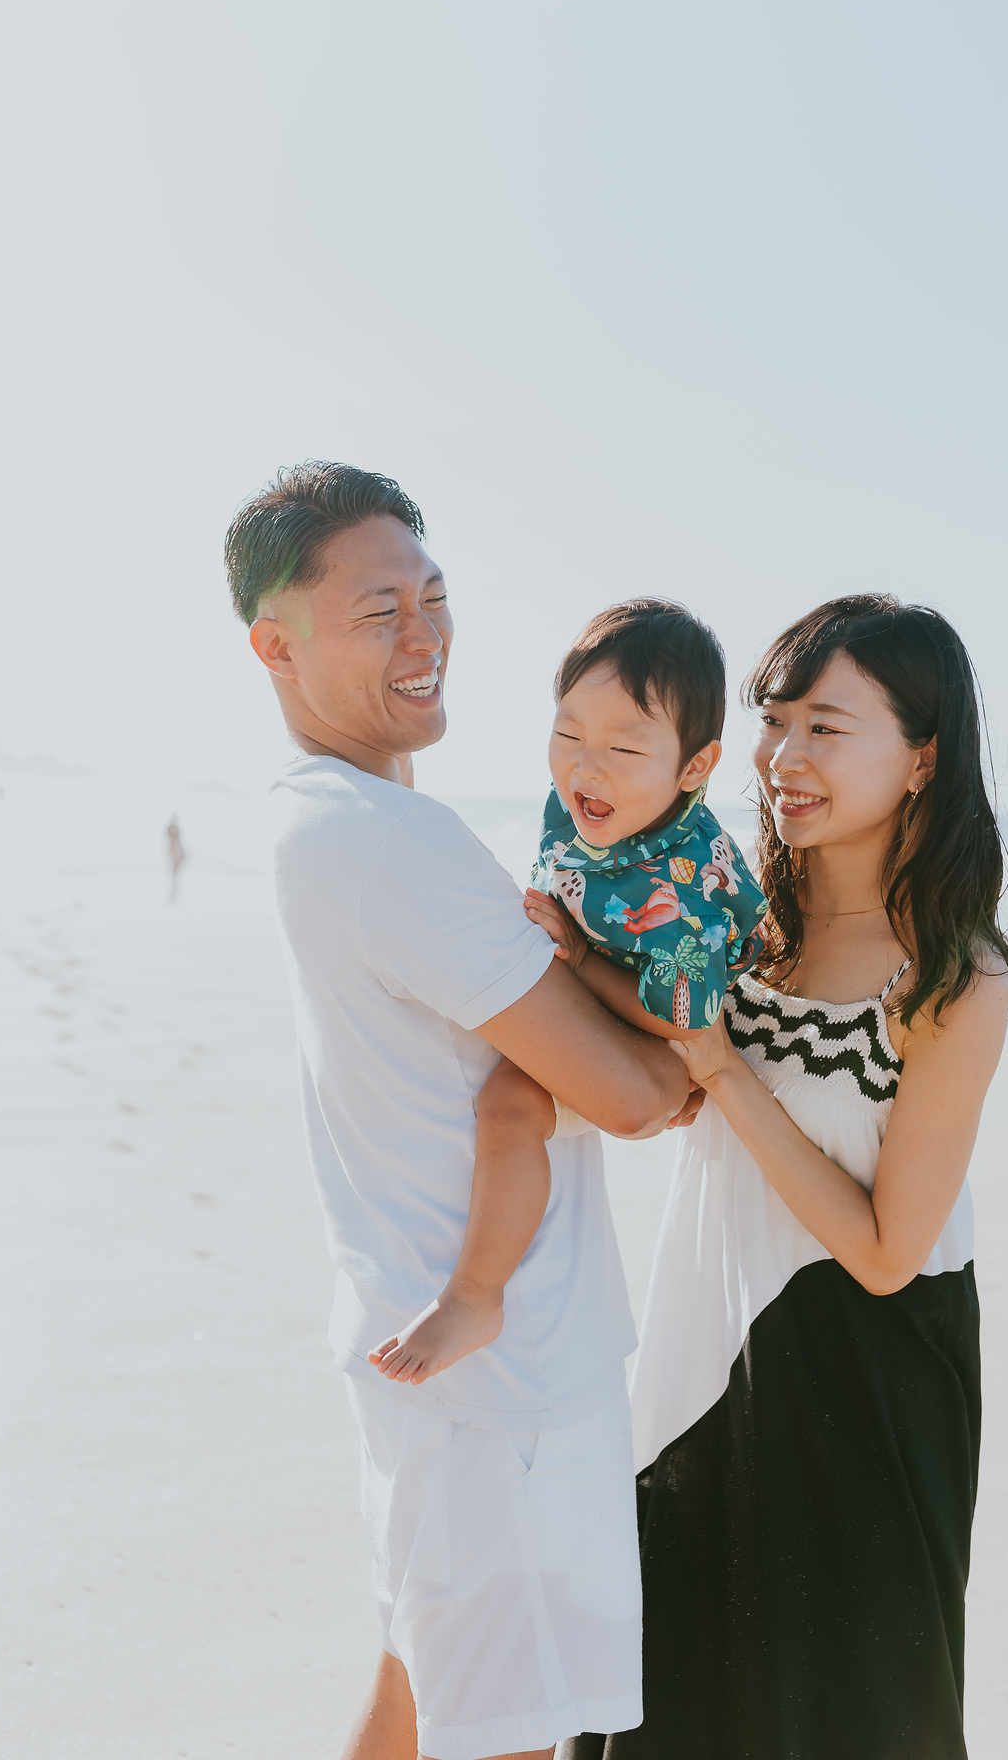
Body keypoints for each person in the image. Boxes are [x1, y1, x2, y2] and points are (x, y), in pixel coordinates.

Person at [223, 462, 694, 1760]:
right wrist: (679, 1061)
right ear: (277, 643)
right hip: (505, 1393)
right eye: (380, 612)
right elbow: (634, 1097)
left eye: (435, 598)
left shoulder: (315, 822)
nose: (427, 636)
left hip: (427, 1353)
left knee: (417, 1698)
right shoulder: (393, 843)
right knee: (502, 1736)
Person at [560, 595, 1008, 1760]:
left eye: (829, 725)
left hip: (866, 1392)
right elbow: (659, 1095)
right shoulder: (734, 922)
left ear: (922, 758)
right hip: (698, 1356)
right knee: (662, 1702)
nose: (786, 757)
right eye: (776, 722)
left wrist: (724, 1071)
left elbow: (884, 1252)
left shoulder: (954, 982)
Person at [368, 600, 767, 1387]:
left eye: (624, 746)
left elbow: (677, 1014)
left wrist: (578, 961)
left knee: (508, 1104)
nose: (588, 767)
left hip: (680, 1017)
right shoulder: (599, 802)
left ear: (695, 767)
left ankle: (475, 1297)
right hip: (620, 979)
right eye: (569, 734)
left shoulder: (677, 885)